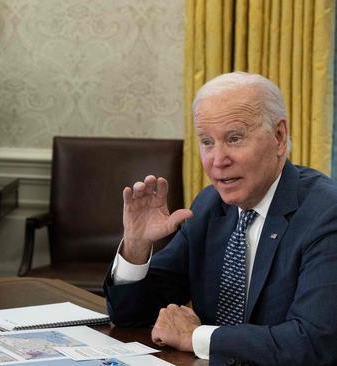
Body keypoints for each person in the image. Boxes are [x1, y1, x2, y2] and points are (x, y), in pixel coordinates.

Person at [104, 71, 337, 365]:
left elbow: (315, 343)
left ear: (279, 137)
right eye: (207, 142)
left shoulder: (326, 213)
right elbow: (131, 315)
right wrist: (136, 246)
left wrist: (198, 337)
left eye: (235, 138)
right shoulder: (210, 205)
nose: (218, 160)